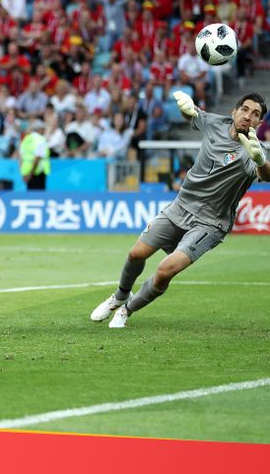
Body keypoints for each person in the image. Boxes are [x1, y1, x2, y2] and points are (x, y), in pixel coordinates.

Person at [91, 91, 270, 328]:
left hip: (210, 223)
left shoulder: (254, 150)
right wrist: (186, 107)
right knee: (136, 254)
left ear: (259, 123)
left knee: (165, 271)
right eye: (245, 110)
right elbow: (194, 116)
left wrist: (260, 161)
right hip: (180, 206)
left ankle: (127, 309)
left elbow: (265, 174)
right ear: (234, 112)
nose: (248, 116)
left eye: (255, 114)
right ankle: (120, 295)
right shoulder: (216, 123)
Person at [20, 119, 50, 190]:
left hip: (26, 172)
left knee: (30, 196)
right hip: (38, 172)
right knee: (39, 196)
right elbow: (37, 158)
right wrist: (30, 174)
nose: (44, 131)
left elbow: (21, 157)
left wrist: (23, 173)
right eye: (43, 129)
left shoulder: (26, 139)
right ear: (39, 129)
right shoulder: (41, 139)